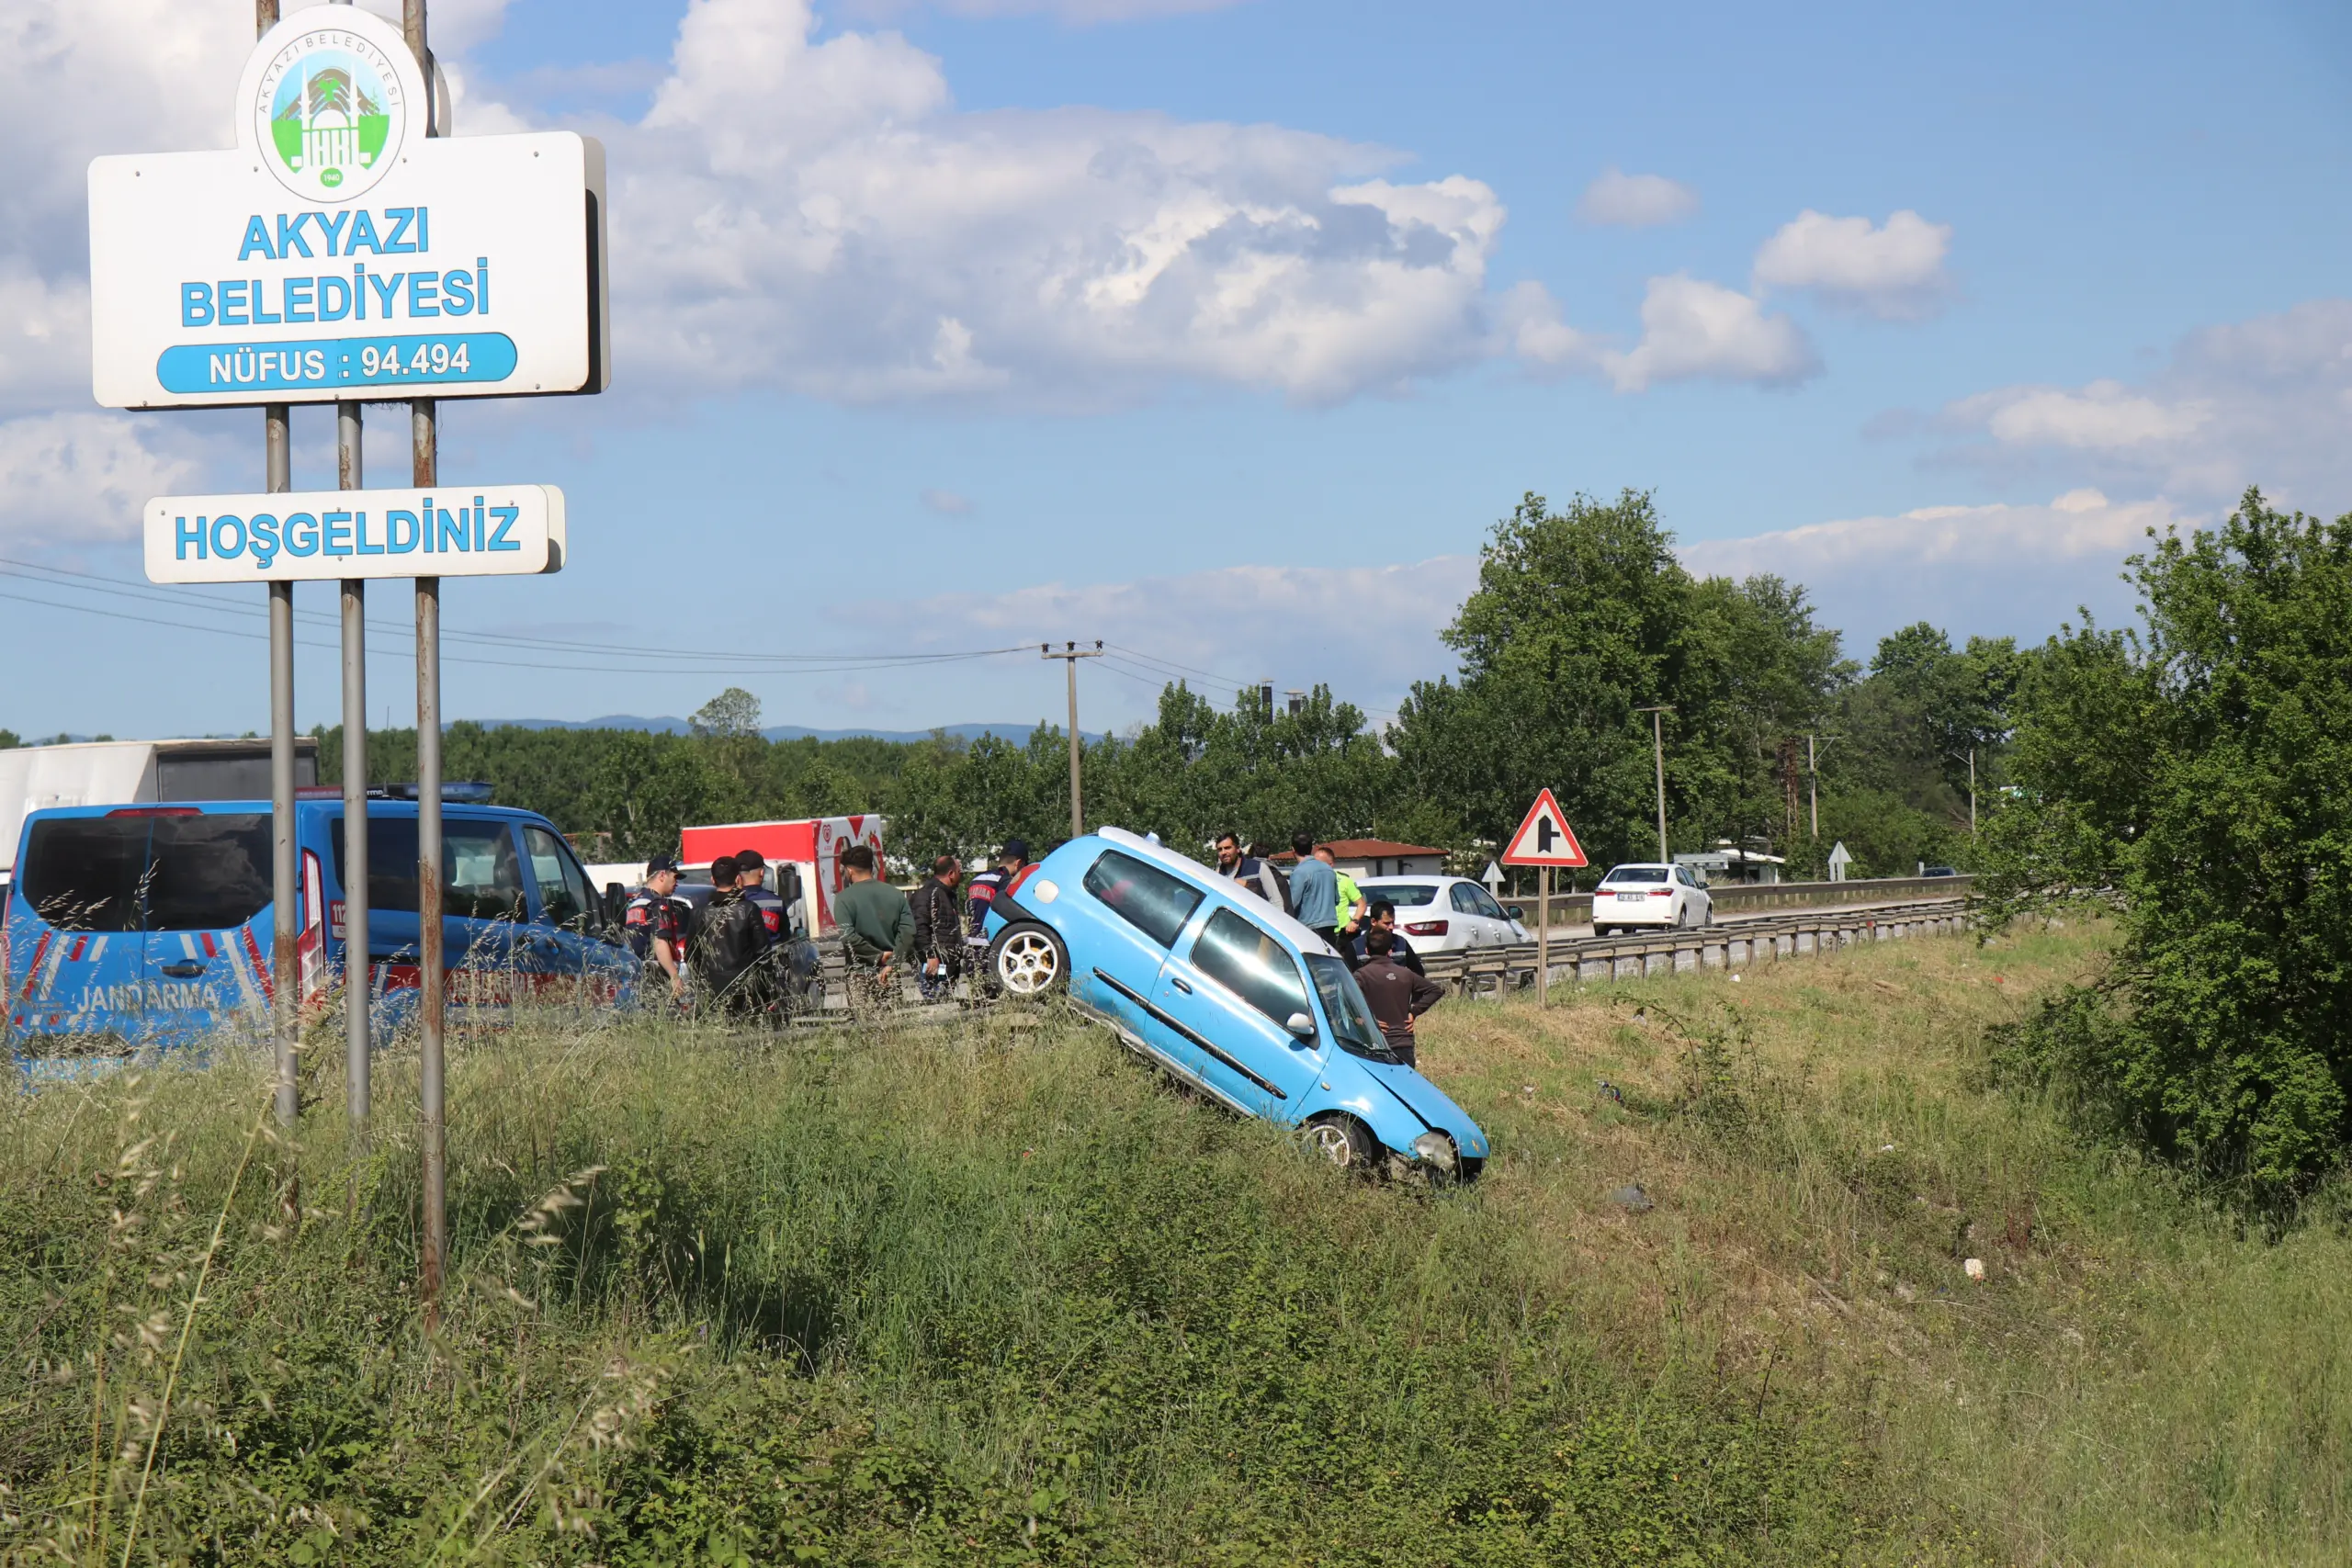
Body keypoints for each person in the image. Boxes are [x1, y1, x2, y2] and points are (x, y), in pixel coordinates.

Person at [834, 843, 915, 1006]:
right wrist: (892, 963)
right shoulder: (896, 894)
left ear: (849, 871)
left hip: (860, 974)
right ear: (872, 867)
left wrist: (877, 956)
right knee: (892, 1027)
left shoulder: (844, 899)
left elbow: (847, 937)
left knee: (863, 1027)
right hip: (889, 973)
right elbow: (908, 932)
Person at [1353, 927, 1445, 1068]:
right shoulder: (1406, 974)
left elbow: (1344, 1000)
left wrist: (1367, 1021)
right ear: (1390, 951)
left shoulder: (1361, 975)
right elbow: (1435, 990)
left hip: (1374, 1043)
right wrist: (1414, 1012)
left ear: (1366, 950)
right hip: (1403, 1043)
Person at [690, 854, 767, 1017]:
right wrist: (765, 989)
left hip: (711, 988)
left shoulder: (700, 913)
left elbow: (691, 954)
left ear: (712, 880)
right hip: (745, 988)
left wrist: (701, 980)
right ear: (738, 879)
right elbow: (762, 952)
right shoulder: (749, 909)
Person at [622, 853, 688, 1006]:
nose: (676, 883)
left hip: (636, 975)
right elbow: (659, 943)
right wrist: (674, 976)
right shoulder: (659, 904)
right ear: (662, 875)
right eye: (675, 877)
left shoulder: (636, 902)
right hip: (656, 976)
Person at [910, 853, 965, 1000]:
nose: (961, 875)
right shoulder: (926, 895)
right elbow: (919, 928)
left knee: (945, 1003)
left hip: (947, 964)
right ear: (951, 874)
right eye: (959, 872)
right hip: (933, 965)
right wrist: (930, 955)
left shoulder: (946, 895)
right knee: (937, 1004)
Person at [965, 839, 1028, 941]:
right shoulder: (1006, 882)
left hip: (972, 939)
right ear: (1019, 863)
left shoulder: (976, 879)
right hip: (991, 940)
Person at [1287, 831, 1340, 953]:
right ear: (1311, 848)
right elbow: (1336, 899)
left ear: (1293, 849)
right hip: (1330, 925)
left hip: (1309, 927)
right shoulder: (1328, 869)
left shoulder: (1299, 872)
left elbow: (1292, 904)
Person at [1214, 831, 1286, 909]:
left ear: (1238, 849)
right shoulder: (1217, 875)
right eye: (1220, 849)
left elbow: (1276, 901)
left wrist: (1249, 886)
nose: (1223, 852)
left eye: (1228, 848)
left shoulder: (1258, 868)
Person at [1357, 899, 1427, 976]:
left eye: (1393, 922)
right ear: (1373, 922)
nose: (1391, 927)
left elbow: (1418, 973)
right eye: (1386, 923)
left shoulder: (1401, 943)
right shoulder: (1356, 946)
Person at [1324, 847, 1367, 967]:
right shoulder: (1312, 880)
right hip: (1320, 932)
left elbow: (1362, 904)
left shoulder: (1344, 881)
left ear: (1331, 864)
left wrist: (1355, 921)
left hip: (1341, 935)